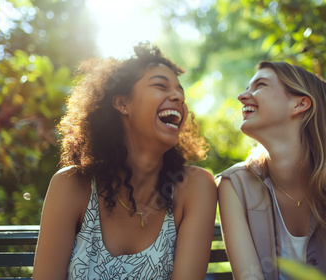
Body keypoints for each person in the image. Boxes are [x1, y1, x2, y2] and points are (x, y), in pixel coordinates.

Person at [33, 43, 217, 280]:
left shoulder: (194, 188)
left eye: (180, 92)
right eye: (161, 86)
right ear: (122, 103)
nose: (178, 97)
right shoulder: (71, 186)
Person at [217, 62, 326, 279]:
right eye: (247, 87)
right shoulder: (234, 186)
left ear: (300, 104)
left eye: (260, 85)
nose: (242, 96)